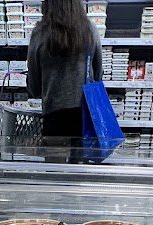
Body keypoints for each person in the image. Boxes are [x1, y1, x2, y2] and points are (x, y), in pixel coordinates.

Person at [26, 0, 103, 143]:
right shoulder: (90, 30)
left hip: (54, 116)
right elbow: (98, 75)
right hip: (86, 115)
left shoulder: (40, 33)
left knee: (55, 157)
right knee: (85, 156)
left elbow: (34, 87)